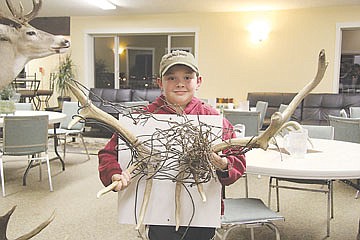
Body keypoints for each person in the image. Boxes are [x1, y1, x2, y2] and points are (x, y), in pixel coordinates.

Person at [98, 50, 246, 240]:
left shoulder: (214, 119)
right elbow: (108, 153)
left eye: (187, 77)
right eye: (171, 77)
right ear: (160, 82)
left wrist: (224, 165)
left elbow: (237, 160)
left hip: (202, 212)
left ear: (198, 81)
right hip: (158, 211)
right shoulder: (142, 118)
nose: (180, 83)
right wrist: (114, 174)